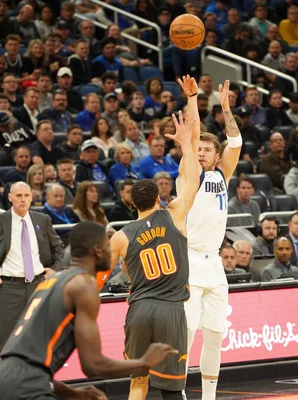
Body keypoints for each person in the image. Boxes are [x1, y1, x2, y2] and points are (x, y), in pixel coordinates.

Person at [0, 221, 178, 400]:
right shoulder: (84, 285)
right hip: (25, 383)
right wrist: (144, 362)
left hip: (0, 377)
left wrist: (72, 393)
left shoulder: (51, 282)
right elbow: (92, 365)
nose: (111, 251)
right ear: (97, 250)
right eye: (107, 246)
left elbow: (29, 365)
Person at [109, 107, 200, 400]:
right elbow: (191, 178)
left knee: (138, 382)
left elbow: (98, 276)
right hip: (171, 310)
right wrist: (186, 143)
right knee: (172, 387)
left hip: (140, 308)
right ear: (160, 198)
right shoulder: (175, 215)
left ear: (132, 202)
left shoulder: (121, 236)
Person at [179, 77, 241, 400]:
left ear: (216, 157)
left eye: (207, 150)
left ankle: (208, 397)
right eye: (198, 149)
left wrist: (226, 107)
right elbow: (190, 135)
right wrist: (193, 98)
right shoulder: (190, 172)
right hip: (189, 259)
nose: (201, 152)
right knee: (186, 336)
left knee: (215, 336)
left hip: (215, 263)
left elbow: (236, 141)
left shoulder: (222, 175)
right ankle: (179, 393)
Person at [0, 181, 65, 360]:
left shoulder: (42, 220)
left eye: (26, 195)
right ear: (10, 197)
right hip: (9, 289)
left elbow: (59, 248)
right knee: (6, 342)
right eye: (18, 196)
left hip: (38, 286)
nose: (23, 199)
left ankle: (33, 384)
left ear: (32, 197)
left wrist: (55, 269)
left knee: (39, 338)